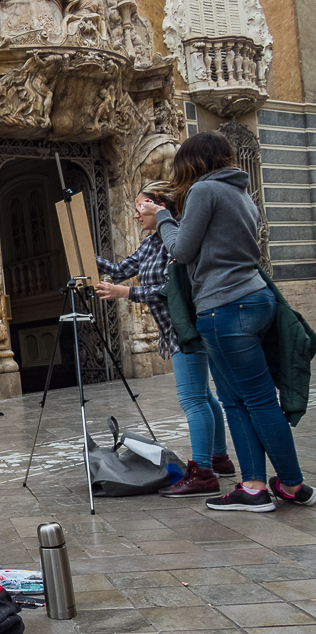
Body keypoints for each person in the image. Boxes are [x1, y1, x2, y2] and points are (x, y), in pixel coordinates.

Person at [140, 131, 315, 511]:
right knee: (244, 400)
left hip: (224, 307)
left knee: (250, 401)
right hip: (255, 298)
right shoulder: (241, 194)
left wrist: (164, 216)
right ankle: (276, 484)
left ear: (194, 162)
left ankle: (267, 487)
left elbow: (182, 250)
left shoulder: (205, 191)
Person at [95, 182, 234, 497]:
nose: (135, 214)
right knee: (204, 396)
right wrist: (83, 256)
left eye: (140, 206)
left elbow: (169, 290)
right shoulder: (149, 244)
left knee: (193, 400)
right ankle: (218, 458)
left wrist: (126, 293)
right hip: (176, 331)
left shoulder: (179, 238)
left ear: (158, 203)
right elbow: (118, 270)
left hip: (187, 329)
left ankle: (203, 473)